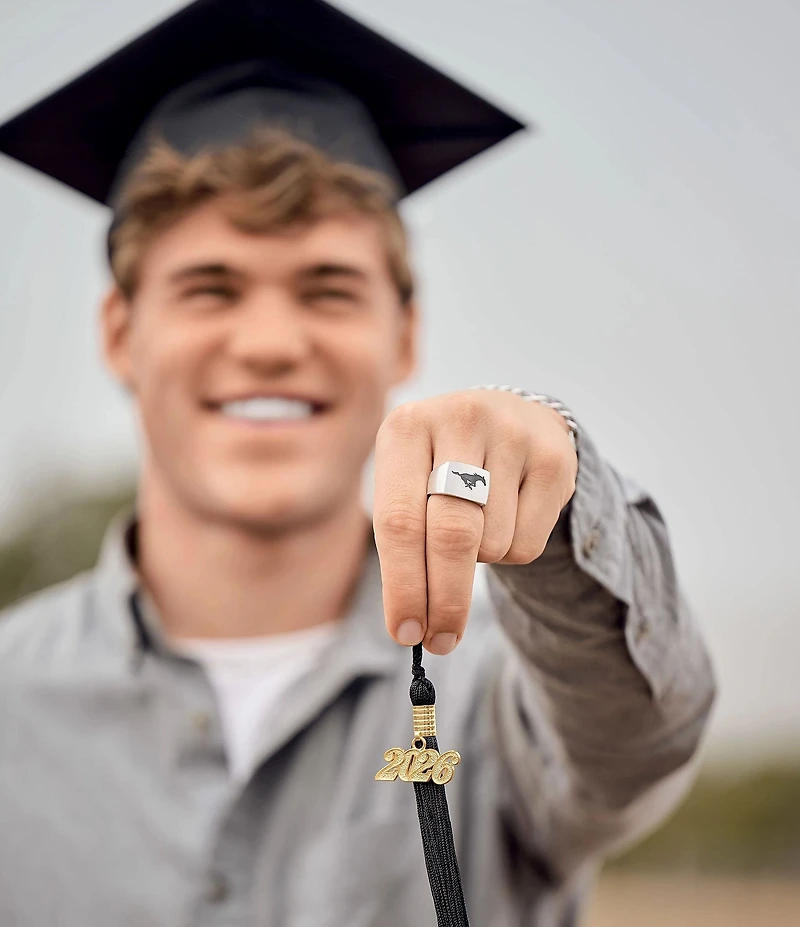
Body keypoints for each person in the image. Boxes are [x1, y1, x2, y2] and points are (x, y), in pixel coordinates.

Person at [0, 1, 715, 925]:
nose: (268, 342)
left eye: (328, 288)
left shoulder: (501, 690)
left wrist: (560, 502)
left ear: (404, 332)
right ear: (119, 333)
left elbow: (640, 737)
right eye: (209, 286)